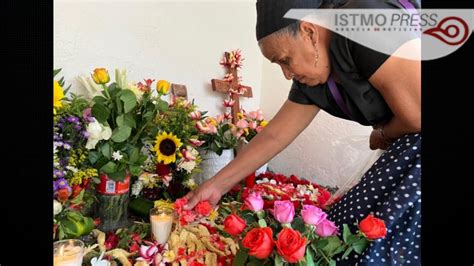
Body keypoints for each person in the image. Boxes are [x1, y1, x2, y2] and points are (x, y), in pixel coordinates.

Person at [185, 0, 421, 264]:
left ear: (309, 32)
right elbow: (275, 136)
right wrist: (215, 186)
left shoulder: (364, 21)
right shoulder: (313, 79)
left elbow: (418, 115)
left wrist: (382, 135)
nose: (287, 74)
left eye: (286, 61)